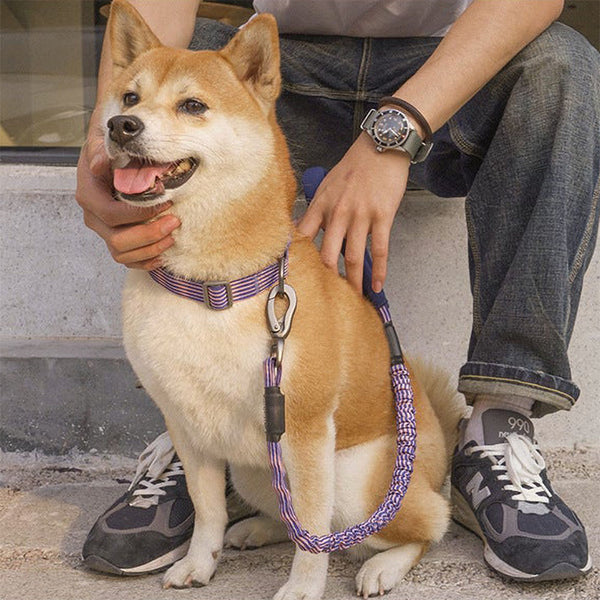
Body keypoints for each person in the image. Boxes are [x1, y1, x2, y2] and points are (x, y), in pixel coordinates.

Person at [77, 0, 599, 582]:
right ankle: (200, 435)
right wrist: (100, 151)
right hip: (296, 64)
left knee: (563, 66)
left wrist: (395, 132)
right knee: (179, 53)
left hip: (446, 67)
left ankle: (499, 424)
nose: (130, 118)